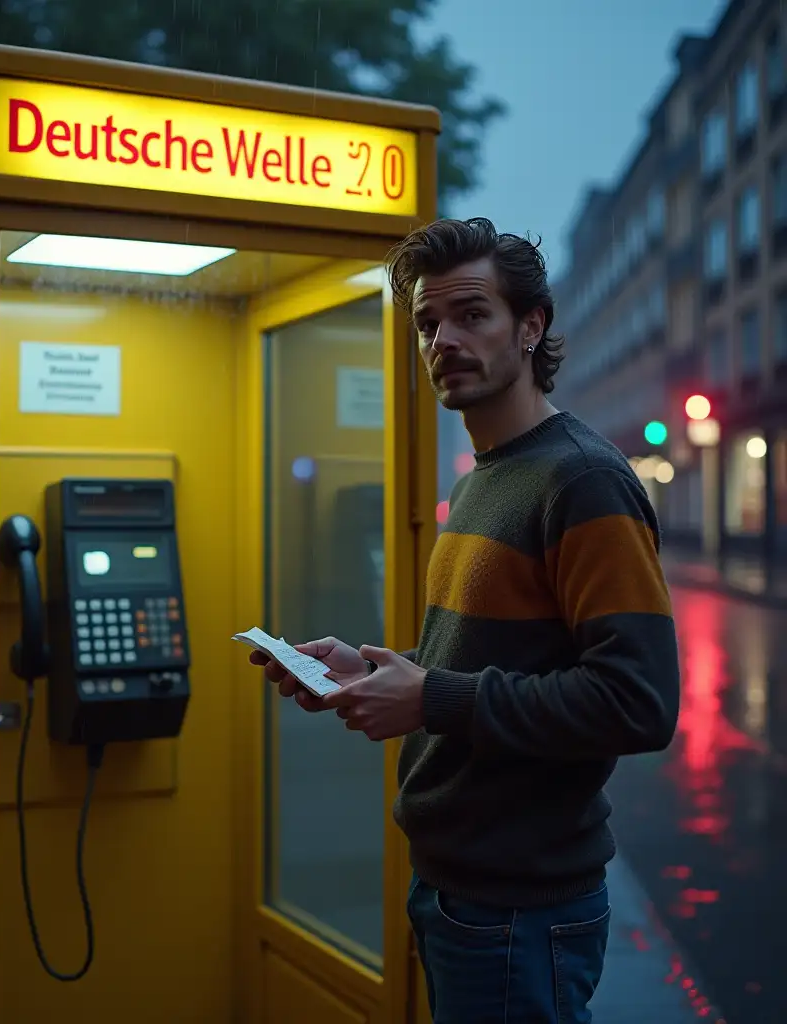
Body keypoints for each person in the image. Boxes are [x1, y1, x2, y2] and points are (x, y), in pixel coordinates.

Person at [247, 217, 680, 1023]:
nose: (443, 338)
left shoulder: (582, 481)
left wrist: (433, 698)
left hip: (520, 906)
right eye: (427, 322)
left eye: (472, 314)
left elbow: (639, 700)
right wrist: (380, 671)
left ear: (530, 326)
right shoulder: (490, 476)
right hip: (458, 887)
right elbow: (495, 653)